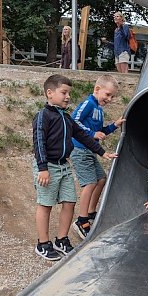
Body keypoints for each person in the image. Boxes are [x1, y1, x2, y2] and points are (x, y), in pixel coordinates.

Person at [32, 74, 118, 261]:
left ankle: (61, 239)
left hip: (64, 166)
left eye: (69, 93)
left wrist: (103, 153)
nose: (68, 97)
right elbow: (38, 142)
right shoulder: (43, 116)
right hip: (49, 167)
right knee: (45, 205)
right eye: (64, 93)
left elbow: (83, 137)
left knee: (70, 202)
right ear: (50, 93)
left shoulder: (66, 117)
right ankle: (43, 243)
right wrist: (42, 167)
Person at [71, 75, 125, 238]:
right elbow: (74, 121)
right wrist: (92, 133)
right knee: (90, 183)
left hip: (90, 151)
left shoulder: (99, 110)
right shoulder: (89, 103)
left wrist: (114, 125)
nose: (109, 99)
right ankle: (81, 220)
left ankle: (91, 211)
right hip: (80, 149)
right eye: (107, 94)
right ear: (97, 89)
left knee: (101, 179)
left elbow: (101, 132)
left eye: (112, 96)